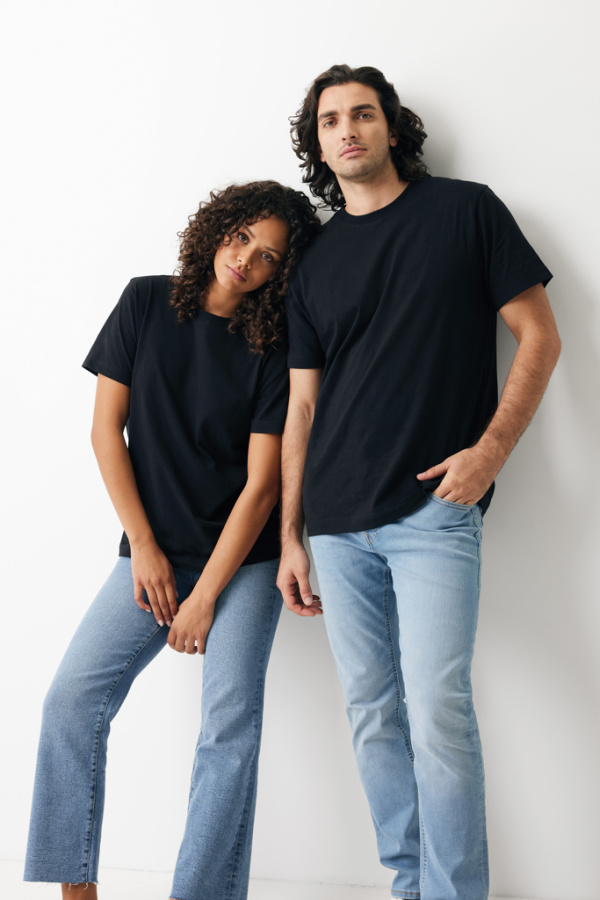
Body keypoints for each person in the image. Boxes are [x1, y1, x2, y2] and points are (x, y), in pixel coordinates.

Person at [277, 65, 561, 900]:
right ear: (318, 142)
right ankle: (409, 883)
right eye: (330, 120)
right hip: (335, 522)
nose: (347, 129)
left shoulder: (466, 211)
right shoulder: (312, 261)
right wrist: (291, 534)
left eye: (363, 113)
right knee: (371, 714)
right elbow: (302, 406)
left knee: (438, 712)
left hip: (433, 510)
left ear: (392, 128)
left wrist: (491, 451)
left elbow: (540, 336)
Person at [24, 180, 319, 900]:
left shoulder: (272, 347)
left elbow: (262, 487)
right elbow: (105, 432)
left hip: (241, 562)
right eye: (241, 236)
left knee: (228, 727)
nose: (246, 258)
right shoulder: (144, 302)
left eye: (268, 255)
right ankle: (76, 889)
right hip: (153, 549)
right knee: (70, 701)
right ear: (217, 228)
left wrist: (206, 595)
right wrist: (144, 547)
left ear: (281, 273)